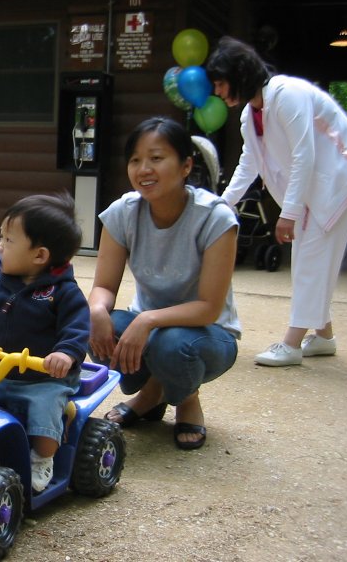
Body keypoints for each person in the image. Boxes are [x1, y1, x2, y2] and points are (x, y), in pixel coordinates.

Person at [88, 117, 240, 450]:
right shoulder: (122, 213)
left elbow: (209, 308)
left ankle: (185, 399)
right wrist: (96, 309)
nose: (144, 169)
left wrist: (147, 319)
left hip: (208, 334)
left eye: (156, 158)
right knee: (96, 326)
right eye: (135, 160)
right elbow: (104, 287)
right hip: (151, 331)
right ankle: (154, 392)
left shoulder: (215, 218)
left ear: (186, 166)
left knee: (171, 344)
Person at [206, 36, 347, 367]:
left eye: (220, 83)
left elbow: (304, 155)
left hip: (336, 183)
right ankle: (324, 336)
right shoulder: (250, 115)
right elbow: (249, 163)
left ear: (239, 76)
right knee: (310, 261)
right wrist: (222, 204)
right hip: (317, 191)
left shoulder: (287, 94)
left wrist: (289, 214)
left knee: (309, 262)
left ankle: (292, 344)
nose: (217, 91)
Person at [0, 193, 90, 492]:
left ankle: (42, 458)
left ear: (39, 256)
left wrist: (65, 354)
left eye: (8, 240)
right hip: (0, 373)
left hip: (44, 379)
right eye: (1, 237)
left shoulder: (64, 293)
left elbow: (76, 330)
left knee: (45, 407)